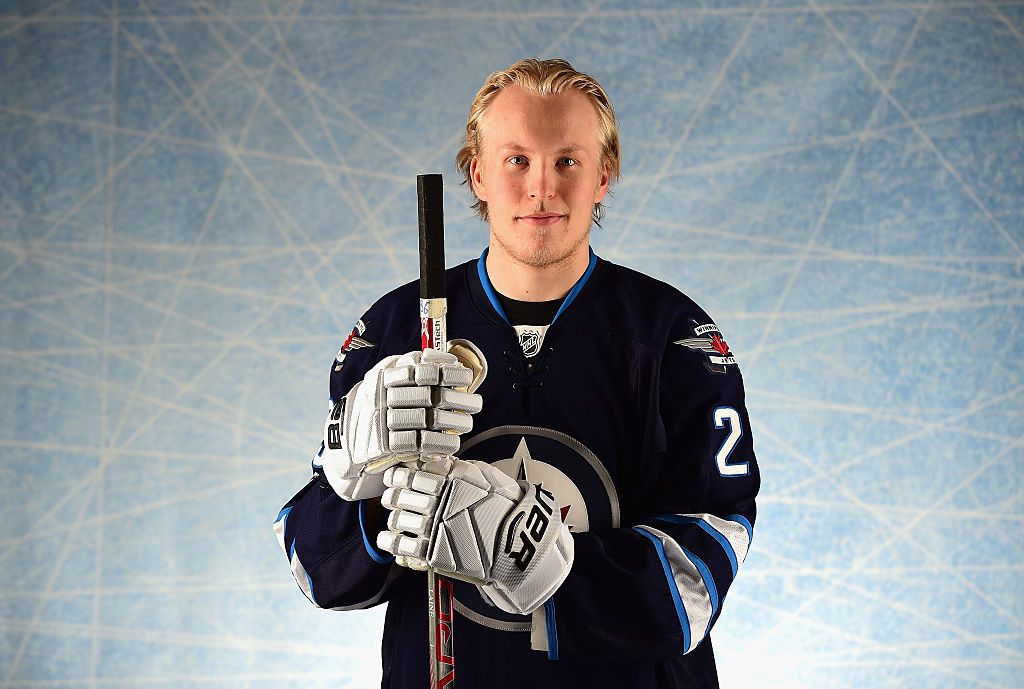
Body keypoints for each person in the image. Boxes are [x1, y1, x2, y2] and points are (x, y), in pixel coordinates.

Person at [275, 58, 760, 689]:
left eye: (567, 161)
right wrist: (363, 490)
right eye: (516, 160)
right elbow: (317, 570)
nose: (541, 187)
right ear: (477, 173)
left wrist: (542, 565)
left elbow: (705, 569)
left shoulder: (673, 335)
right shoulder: (394, 331)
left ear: (603, 175)